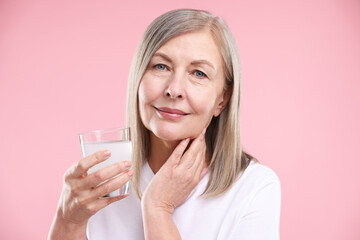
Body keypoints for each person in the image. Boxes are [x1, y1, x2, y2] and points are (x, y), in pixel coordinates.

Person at [48, 9, 281, 240]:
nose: (174, 89)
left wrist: (157, 208)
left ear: (222, 100)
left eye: (198, 73)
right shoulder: (104, 182)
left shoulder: (255, 188)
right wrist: (67, 220)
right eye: (161, 66)